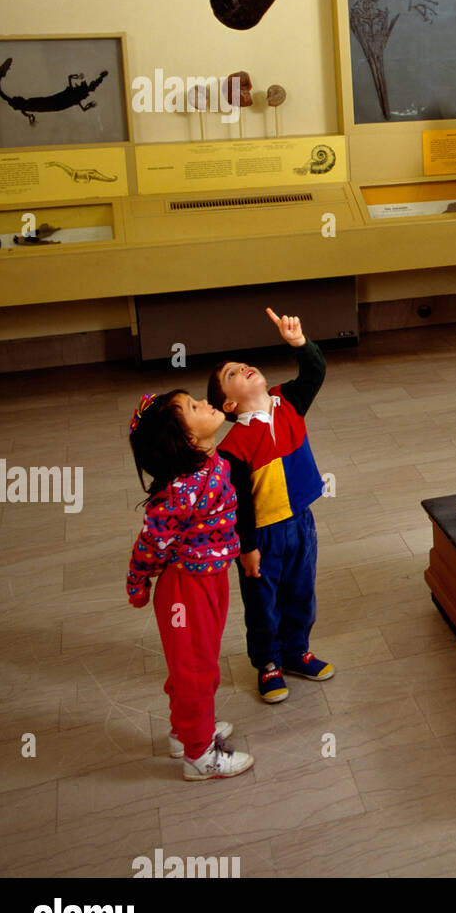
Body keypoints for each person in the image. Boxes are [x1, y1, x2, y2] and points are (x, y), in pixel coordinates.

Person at [126, 390, 254, 780]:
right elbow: (151, 541)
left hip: (212, 577)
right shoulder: (178, 491)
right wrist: (137, 581)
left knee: (203, 664)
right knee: (195, 671)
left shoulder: (207, 458)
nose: (204, 403)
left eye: (196, 400)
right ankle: (199, 757)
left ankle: (185, 732)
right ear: (186, 441)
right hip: (185, 591)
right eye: (194, 408)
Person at [207, 307, 332, 703]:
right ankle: (268, 663)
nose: (243, 368)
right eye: (231, 374)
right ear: (228, 405)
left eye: (243, 364)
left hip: (302, 524)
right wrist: (247, 548)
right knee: (263, 604)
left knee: (301, 592)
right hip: (262, 534)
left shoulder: (289, 400)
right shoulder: (231, 449)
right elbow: (237, 505)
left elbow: (315, 372)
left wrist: (300, 343)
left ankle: (297, 652)